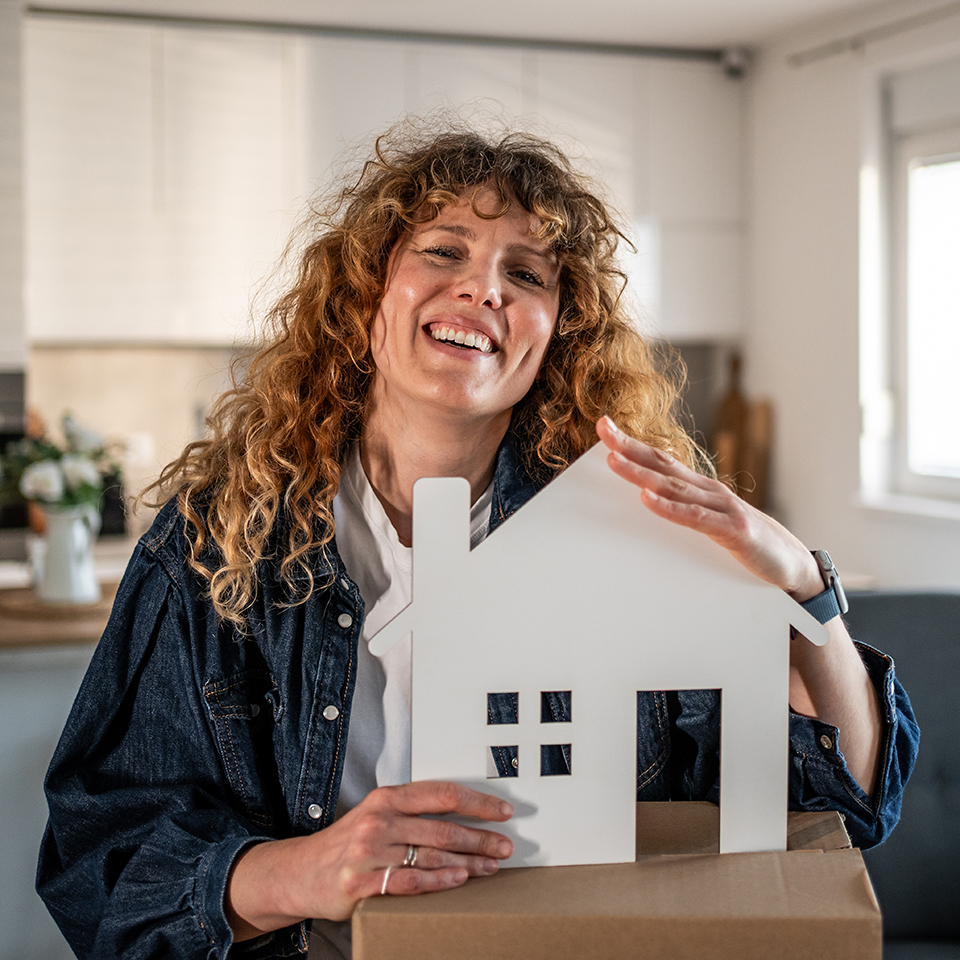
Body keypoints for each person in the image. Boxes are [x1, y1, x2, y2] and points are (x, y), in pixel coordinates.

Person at [37, 123, 918, 960]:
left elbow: (840, 802)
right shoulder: (215, 539)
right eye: (444, 251)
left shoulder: (629, 538)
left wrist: (806, 591)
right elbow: (98, 864)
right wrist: (303, 871)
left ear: (555, 334)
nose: (485, 289)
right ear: (365, 296)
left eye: (528, 274)